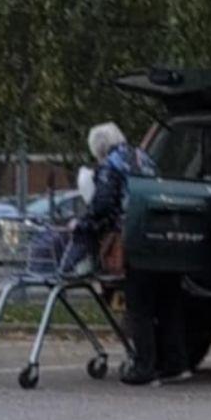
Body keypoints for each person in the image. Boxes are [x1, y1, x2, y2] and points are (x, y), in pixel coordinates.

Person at [71, 122, 190, 386]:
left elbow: (103, 204)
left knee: (140, 306)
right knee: (168, 303)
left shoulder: (111, 165)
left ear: (99, 149)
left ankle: (144, 367)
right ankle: (175, 364)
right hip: (164, 235)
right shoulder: (143, 157)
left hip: (137, 238)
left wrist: (81, 227)